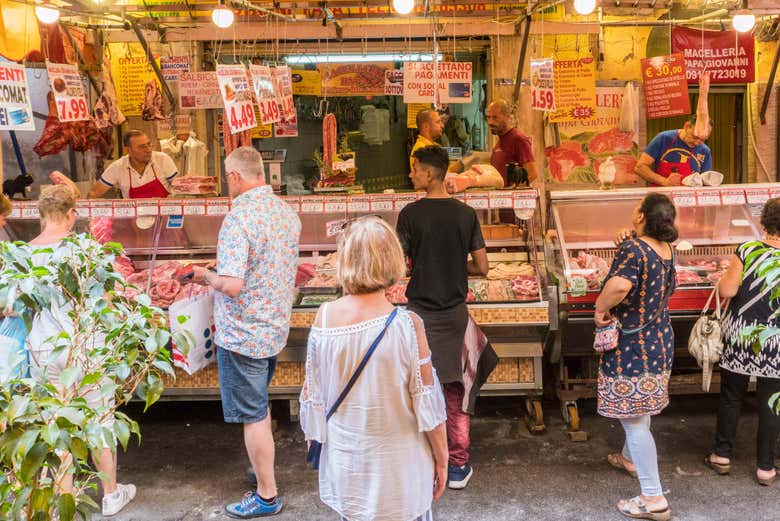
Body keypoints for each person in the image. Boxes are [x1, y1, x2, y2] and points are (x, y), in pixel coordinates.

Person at [300, 216, 448, 521]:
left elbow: (312, 397)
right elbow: (428, 406)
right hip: (401, 474)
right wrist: (443, 458)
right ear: (392, 260)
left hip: (348, 471)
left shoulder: (325, 318)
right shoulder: (408, 326)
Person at [191, 147, 300, 518]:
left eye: (227, 176)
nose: (227, 182)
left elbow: (234, 285)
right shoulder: (285, 212)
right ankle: (261, 465)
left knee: (253, 414)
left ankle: (267, 494)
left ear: (236, 176)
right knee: (261, 407)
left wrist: (206, 275)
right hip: (272, 329)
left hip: (243, 334)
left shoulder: (239, 218)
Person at [26, 185, 136, 516]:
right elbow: (107, 297)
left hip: (44, 348)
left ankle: (65, 497)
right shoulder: (85, 248)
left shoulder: (24, 252)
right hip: (85, 346)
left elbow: (15, 306)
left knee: (58, 423)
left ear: (42, 215)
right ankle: (111, 494)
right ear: (72, 213)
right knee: (99, 419)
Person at [397, 145, 489, 490]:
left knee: (418, 389)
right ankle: (457, 466)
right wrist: (455, 267)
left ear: (430, 173)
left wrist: (423, 265)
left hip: (418, 316)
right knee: (455, 391)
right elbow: (482, 266)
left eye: (415, 169)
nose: (411, 174)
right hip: (454, 316)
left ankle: (425, 460)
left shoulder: (409, 215)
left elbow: (395, 266)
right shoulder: (465, 215)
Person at [595, 193, 677, 521]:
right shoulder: (665, 249)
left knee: (635, 420)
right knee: (642, 410)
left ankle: (652, 497)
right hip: (659, 339)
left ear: (642, 215)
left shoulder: (634, 249)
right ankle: (629, 459)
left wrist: (600, 308)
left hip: (633, 344)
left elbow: (618, 287)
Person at [706, 197, 780, 486]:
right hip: (775, 340)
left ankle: (722, 455)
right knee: (772, 402)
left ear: (763, 223)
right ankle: (765, 468)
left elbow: (727, 289)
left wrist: (720, 280)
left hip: (742, 335)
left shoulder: (747, 249)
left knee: (731, 396)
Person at [635, 73, 712, 187]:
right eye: (695, 137)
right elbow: (639, 167)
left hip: (689, 201)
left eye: (702, 139)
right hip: (662, 199)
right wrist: (664, 181)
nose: (697, 143)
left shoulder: (705, 151)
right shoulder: (663, 139)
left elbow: (706, 181)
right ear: (686, 126)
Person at [52, 130, 178, 199]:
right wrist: (96, 218)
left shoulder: (162, 160)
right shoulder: (118, 167)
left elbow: (180, 189)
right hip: (134, 222)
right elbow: (94, 194)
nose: (148, 149)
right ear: (128, 150)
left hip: (164, 217)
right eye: (141, 147)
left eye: (148, 144)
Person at [459, 99, 537, 187]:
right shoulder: (500, 140)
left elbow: (532, 173)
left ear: (507, 117)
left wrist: (511, 191)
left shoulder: (518, 139)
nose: (490, 122)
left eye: (495, 117)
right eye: (488, 117)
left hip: (509, 198)